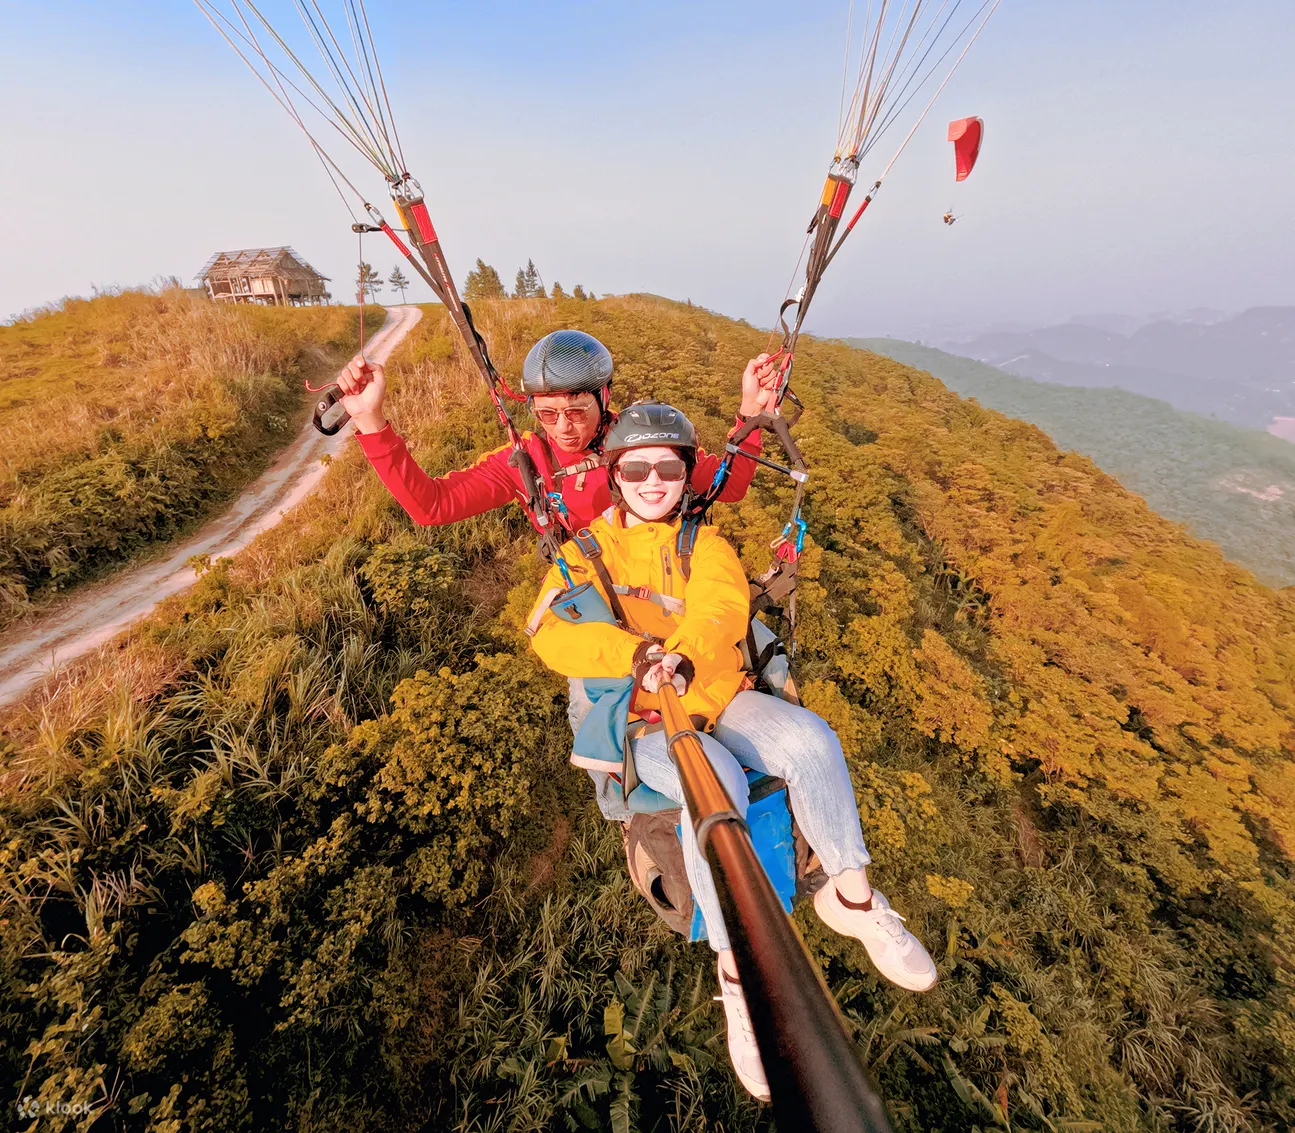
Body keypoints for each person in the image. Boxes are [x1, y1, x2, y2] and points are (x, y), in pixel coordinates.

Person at [525, 401, 939, 1102]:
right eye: (636, 468)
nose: (652, 480)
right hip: (647, 719)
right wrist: (635, 654)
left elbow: (721, 606)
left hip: (713, 690)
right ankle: (737, 971)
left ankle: (853, 896)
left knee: (809, 741)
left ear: (687, 474)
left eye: (668, 466)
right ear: (614, 475)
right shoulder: (585, 551)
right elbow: (549, 630)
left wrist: (682, 656)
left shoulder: (702, 543)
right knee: (711, 780)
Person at [331, 329, 778, 534]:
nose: (564, 428)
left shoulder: (643, 442)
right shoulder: (526, 461)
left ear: (604, 398)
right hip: (591, 600)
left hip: (662, 577)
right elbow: (433, 506)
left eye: (578, 411)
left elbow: (729, 486)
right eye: (547, 414)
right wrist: (371, 421)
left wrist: (750, 413)